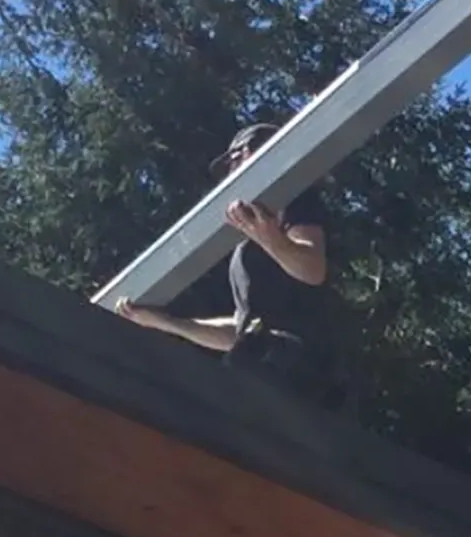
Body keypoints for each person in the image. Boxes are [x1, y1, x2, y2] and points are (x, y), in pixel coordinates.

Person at [113, 122, 349, 410]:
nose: (231, 167)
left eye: (238, 155)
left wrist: (273, 240)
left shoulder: (291, 198)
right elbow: (241, 329)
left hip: (298, 361)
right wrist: (167, 323)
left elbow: (313, 269)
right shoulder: (249, 235)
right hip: (261, 354)